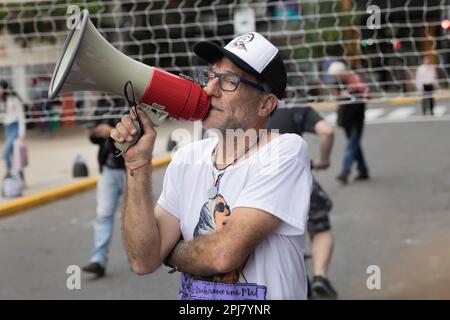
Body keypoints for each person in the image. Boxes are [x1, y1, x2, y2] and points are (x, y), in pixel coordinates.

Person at [110, 32, 313, 299]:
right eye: (210, 76)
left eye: (229, 81)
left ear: (266, 104)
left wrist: (171, 252)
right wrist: (137, 164)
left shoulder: (284, 151)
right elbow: (143, 260)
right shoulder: (187, 157)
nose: (208, 90)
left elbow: (223, 254)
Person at [268, 106, 338, 299]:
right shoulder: (296, 110)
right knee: (320, 226)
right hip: (295, 179)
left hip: (257, 186)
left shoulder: (241, 114)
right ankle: (320, 277)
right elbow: (327, 131)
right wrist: (323, 160)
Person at [82, 94, 127, 277]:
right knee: (103, 215)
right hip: (107, 169)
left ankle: (142, 256)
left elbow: (137, 135)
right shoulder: (101, 104)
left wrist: (111, 131)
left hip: (130, 170)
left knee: (134, 216)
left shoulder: (128, 103)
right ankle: (98, 260)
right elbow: (94, 137)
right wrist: (92, 131)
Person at [327, 61, 370, 185]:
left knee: (351, 146)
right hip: (345, 120)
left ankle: (345, 172)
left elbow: (365, 97)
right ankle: (363, 170)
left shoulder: (355, 81)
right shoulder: (338, 84)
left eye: (335, 75)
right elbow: (336, 99)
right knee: (355, 145)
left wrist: (349, 94)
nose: (334, 78)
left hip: (356, 119)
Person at [1, 80, 26, 181]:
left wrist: (22, 131)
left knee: (5, 154)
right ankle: (20, 177)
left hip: (15, 127)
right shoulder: (2, 100)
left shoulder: (14, 99)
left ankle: (10, 175)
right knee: (14, 155)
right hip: (7, 128)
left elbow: (21, 115)